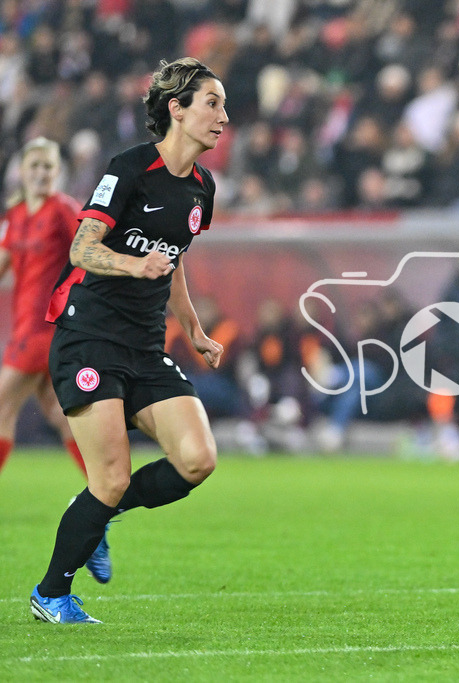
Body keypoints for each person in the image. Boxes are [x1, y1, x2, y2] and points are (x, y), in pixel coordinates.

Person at [30, 57, 228, 624]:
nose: (223, 116)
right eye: (212, 103)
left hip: (145, 346)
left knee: (197, 459)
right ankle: (51, 594)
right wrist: (131, 265)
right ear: (177, 110)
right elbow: (82, 249)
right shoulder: (129, 169)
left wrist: (192, 327)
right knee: (111, 476)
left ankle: (97, 512)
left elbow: (176, 260)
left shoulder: (201, 188)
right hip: (88, 335)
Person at [0, 138, 88, 479]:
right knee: (59, 412)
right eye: (34, 166)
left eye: (48, 167)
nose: (41, 173)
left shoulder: (63, 209)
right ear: (21, 171)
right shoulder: (18, 213)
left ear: (58, 172)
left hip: (46, 329)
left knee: (3, 407)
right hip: (26, 327)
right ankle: (106, 488)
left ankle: (106, 488)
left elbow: (91, 251)